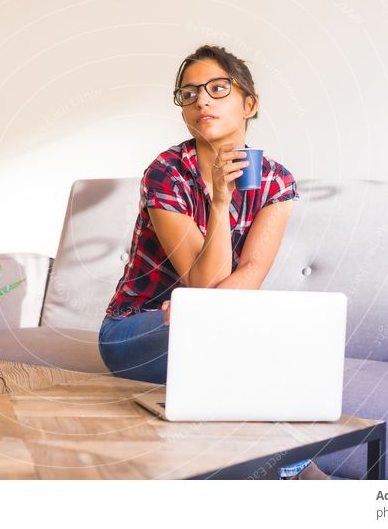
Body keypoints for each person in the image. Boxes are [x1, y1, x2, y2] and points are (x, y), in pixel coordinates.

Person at [98, 45, 327, 481]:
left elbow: (251, 274)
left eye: (218, 89)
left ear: (249, 103)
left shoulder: (276, 181)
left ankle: (284, 475)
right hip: (136, 329)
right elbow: (200, 283)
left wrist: (201, 315)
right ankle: (302, 474)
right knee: (242, 349)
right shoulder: (167, 172)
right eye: (188, 94)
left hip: (211, 327)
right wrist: (220, 203)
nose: (202, 100)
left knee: (245, 351)